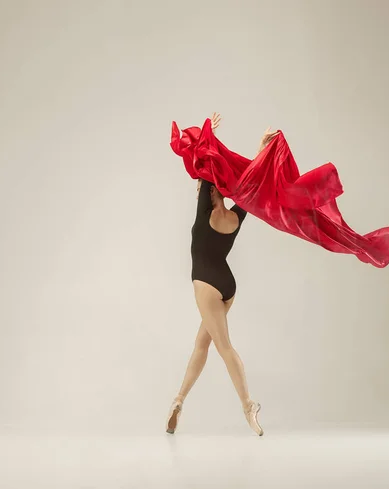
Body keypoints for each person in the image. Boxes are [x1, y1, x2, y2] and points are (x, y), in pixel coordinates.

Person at [166, 113, 279, 436]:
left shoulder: (205, 212)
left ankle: (248, 406)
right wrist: (261, 150)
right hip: (227, 286)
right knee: (202, 344)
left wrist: (208, 137)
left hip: (206, 284)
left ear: (208, 190)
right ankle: (178, 400)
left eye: (203, 186)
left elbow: (208, 168)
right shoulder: (237, 215)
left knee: (223, 347)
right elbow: (252, 185)